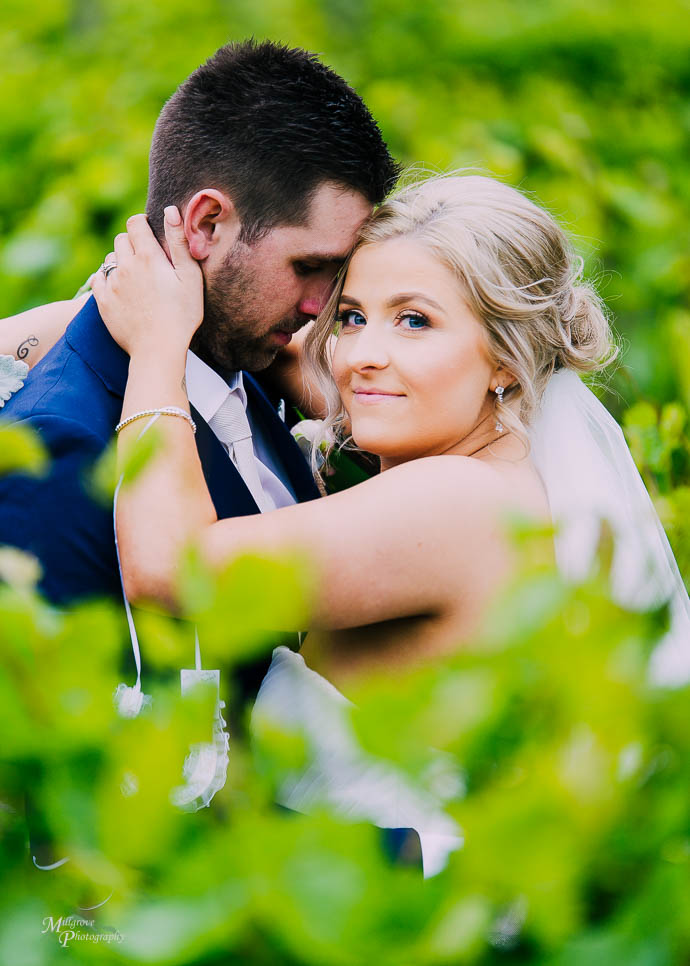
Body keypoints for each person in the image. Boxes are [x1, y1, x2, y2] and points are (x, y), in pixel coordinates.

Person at [83, 173, 690, 874]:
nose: (363, 354)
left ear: (504, 359)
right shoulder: (490, 470)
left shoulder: (459, 502)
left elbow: (170, 570)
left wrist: (158, 348)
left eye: (415, 320)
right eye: (351, 316)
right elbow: (332, 371)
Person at [0, 39, 398, 606]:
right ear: (207, 224)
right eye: (307, 266)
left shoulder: (260, 362)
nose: (321, 306)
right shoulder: (55, 443)